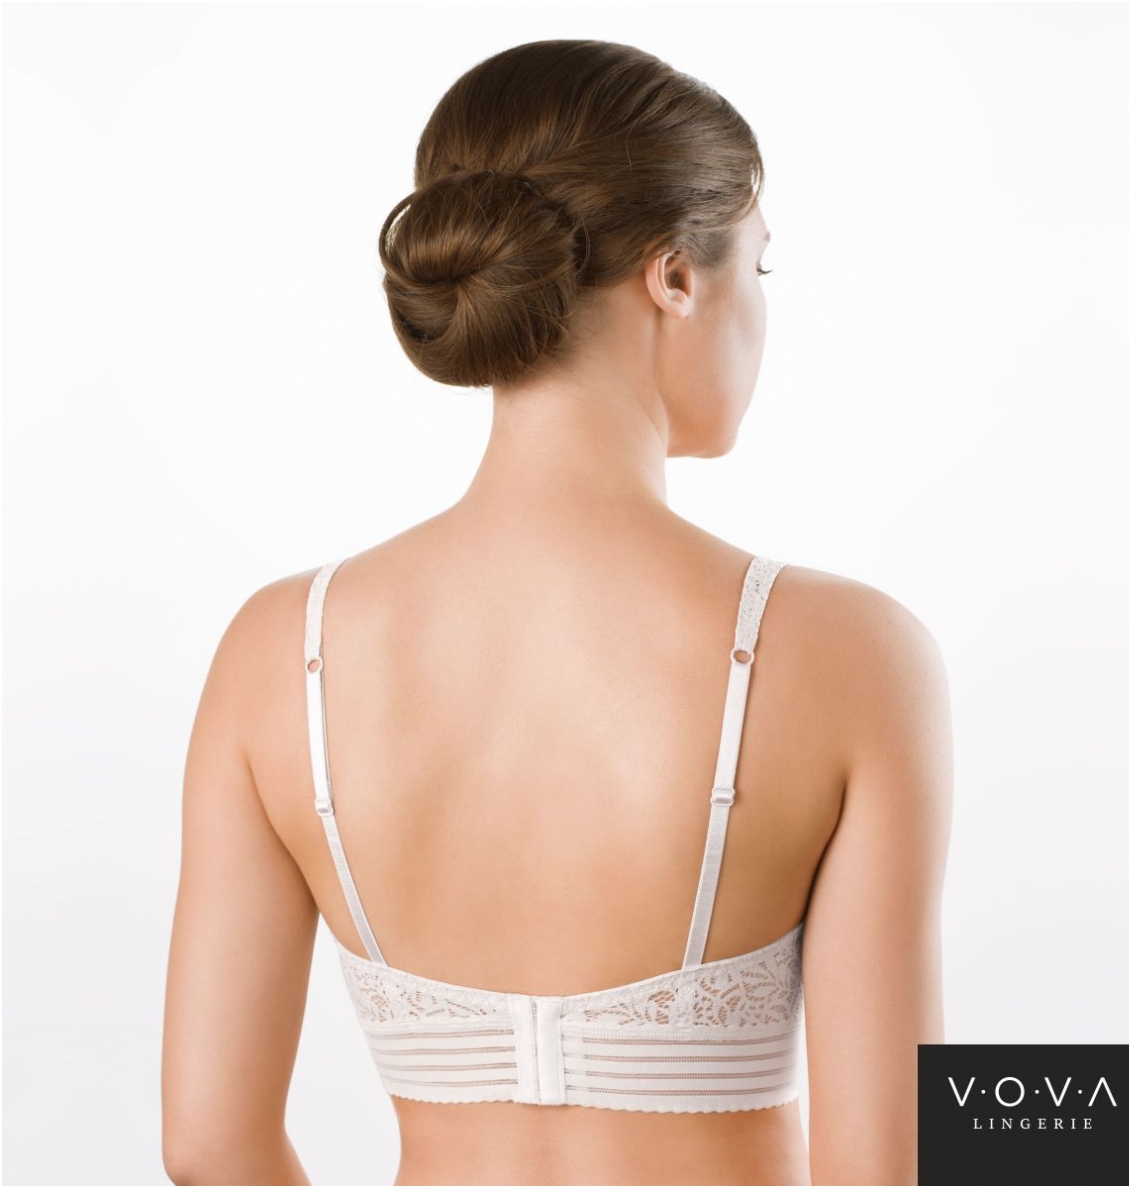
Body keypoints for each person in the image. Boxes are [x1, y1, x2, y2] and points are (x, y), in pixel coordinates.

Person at [161, 38, 952, 1187]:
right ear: (674, 276)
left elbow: (207, 1144)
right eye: (760, 266)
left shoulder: (281, 650)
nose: (762, 310)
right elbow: (886, 1166)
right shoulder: (851, 654)